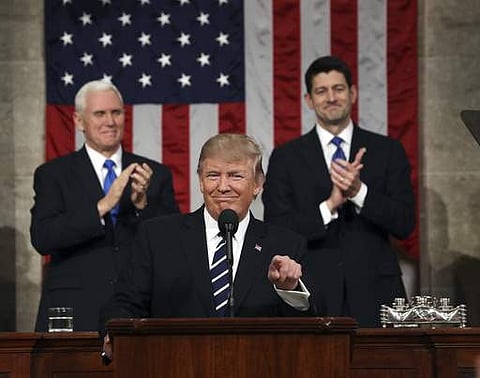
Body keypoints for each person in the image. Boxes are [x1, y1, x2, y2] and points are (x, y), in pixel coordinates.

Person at [101, 133, 313, 359]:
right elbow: (125, 303)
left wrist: (290, 289)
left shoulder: (286, 244)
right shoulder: (157, 237)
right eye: (213, 175)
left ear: (258, 185)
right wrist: (112, 335)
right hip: (173, 366)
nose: (223, 186)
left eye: (235, 176)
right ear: (200, 181)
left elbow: (310, 328)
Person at [262, 56, 415, 327]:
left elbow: (404, 223)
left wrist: (358, 192)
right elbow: (277, 228)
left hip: (377, 293)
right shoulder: (286, 157)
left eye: (339, 88)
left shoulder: (387, 150)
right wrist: (329, 205)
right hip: (313, 292)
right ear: (309, 100)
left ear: (353, 93)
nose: (331, 97)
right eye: (322, 91)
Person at [30, 80, 179, 332]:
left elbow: (173, 243)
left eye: (116, 112)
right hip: (75, 309)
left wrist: (143, 205)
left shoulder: (154, 173)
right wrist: (102, 206)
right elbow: (43, 237)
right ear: (79, 121)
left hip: (139, 308)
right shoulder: (53, 174)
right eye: (100, 113)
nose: (110, 121)